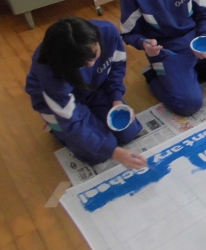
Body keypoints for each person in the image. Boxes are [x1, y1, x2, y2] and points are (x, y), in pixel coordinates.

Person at [25, 18, 146, 169]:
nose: (90, 64)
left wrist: (116, 98)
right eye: (81, 63)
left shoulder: (108, 32)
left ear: (97, 39)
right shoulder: (49, 70)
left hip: (94, 88)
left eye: (93, 55)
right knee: (97, 154)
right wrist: (114, 152)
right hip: (58, 105)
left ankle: (91, 119)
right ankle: (56, 129)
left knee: (128, 132)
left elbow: (117, 67)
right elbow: (71, 120)